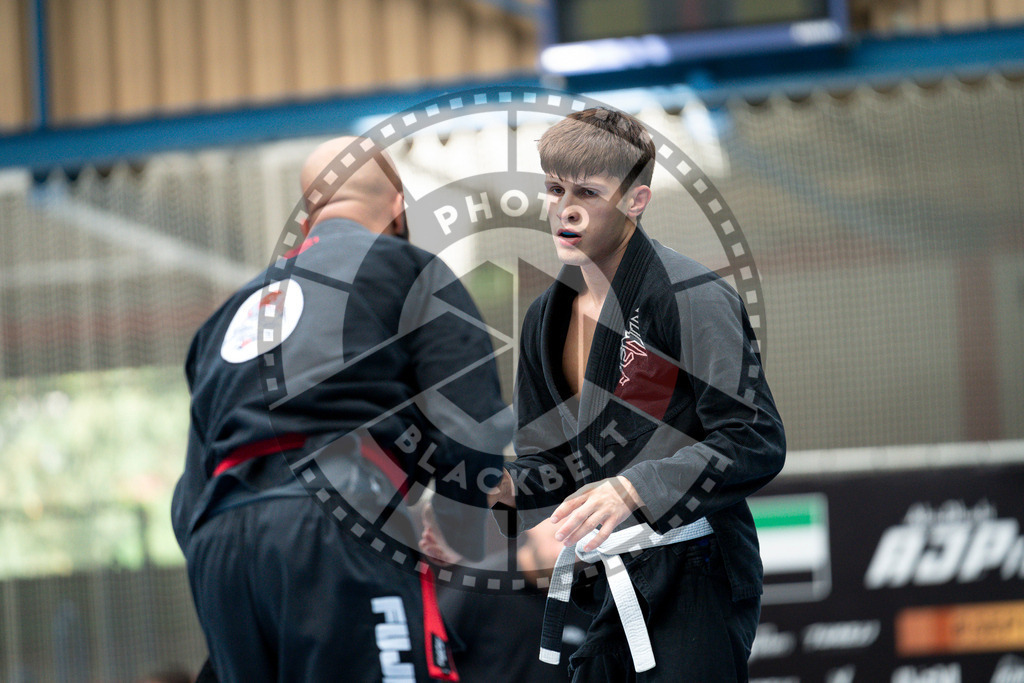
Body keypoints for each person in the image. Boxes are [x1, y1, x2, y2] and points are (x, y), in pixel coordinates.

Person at [171, 136, 511, 682]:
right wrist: (460, 533)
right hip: (336, 522)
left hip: (220, 547)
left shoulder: (229, 314)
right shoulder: (409, 268)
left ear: (308, 217)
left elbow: (189, 494)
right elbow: (470, 428)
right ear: (399, 208)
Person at [486, 108, 786, 681]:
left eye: (588, 192)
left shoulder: (691, 295)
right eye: (555, 189)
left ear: (636, 200)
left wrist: (634, 487)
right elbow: (547, 464)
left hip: (695, 573)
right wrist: (487, 488)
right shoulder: (544, 318)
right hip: (605, 579)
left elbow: (755, 439)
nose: (566, 210)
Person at [425, 516, 590, 682]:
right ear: (533, 526)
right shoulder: (483, 583)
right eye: (557, 538)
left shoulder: (589, 598)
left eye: (574, 545)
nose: (560, 553)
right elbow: (431, 647)